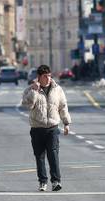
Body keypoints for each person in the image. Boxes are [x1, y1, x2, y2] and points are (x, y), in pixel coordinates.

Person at [21, 64, 71, 192]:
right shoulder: (30, 90)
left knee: (53, 155)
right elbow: (28, 105)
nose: (48, 78)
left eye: (49, 76)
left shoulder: (57, 89)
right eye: (45, 76)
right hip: (37, 128)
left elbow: (63, 106)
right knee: (40, 156)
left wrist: (66, 123)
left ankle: (56, 181)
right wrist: (34, 91)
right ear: (39, 77)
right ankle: (43, 182)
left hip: (52, 128)